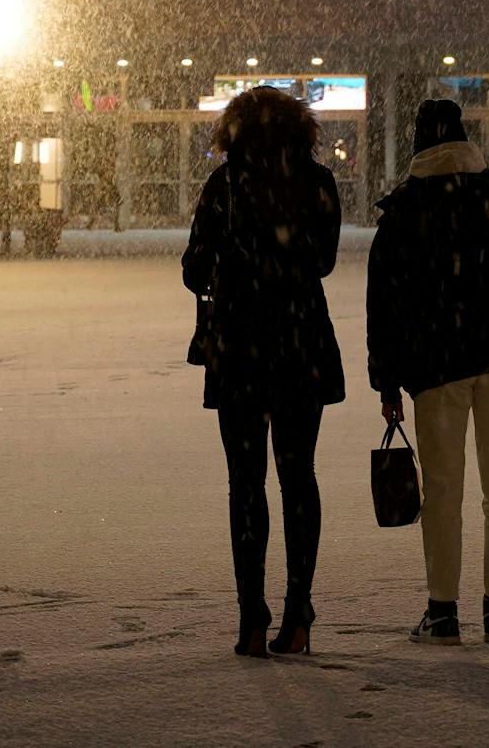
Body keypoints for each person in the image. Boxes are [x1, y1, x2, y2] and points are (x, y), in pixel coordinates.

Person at [368, 99, 489, 644]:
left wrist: (386, 380)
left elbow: (384, 305)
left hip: (435, 364)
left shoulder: (403, 210)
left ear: (418, 143)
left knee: (442, 492)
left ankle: (443, 612)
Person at [182, 86, 344, 658]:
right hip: (300, 343)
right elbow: (324, 259)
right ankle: (298, 614)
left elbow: (192, 268)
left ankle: (251, 617)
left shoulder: (223, 184)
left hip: (240, 346)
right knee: (299, 478)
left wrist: (235, 259)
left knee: (245, 484)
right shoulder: (317, 181)